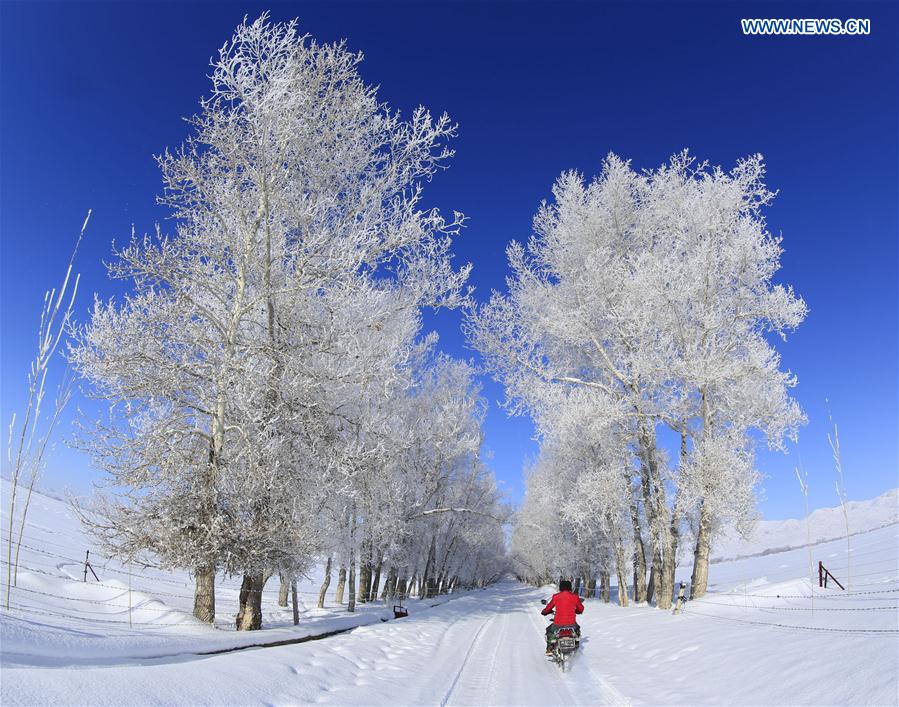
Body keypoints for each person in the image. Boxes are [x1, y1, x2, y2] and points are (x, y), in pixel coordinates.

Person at [540, 579, 584, 654]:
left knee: (549, 630)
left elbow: (549, 607)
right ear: (570, 587)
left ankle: (550, 648)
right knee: (577, 630)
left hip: (558, 624)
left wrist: (544, 612)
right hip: (572, 624)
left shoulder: (556, 596)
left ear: (560, 587)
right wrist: (577, 611)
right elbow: (581, 608)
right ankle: (576, 645)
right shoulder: (575, 596)